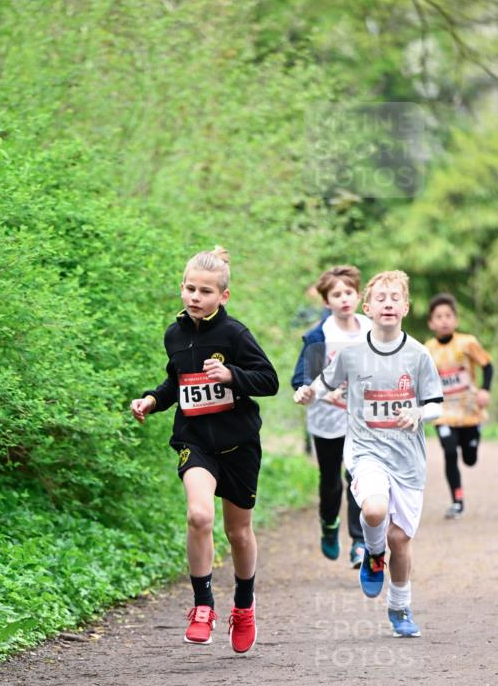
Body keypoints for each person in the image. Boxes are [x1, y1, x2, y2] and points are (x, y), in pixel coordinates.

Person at [130, 247, 278, 653]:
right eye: (190, 288)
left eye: (206, 291)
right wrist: (151, 400)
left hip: (239, 444)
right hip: (195, 440)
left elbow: (269, 380)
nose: (196, 297)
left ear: (223, 296)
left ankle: (244, 607)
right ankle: (202, 606)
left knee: (238, 532)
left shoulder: (235, 335)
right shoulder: (174, 335)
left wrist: (232, 374)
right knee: (198, 515)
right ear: (182, 288)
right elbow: (175, 384)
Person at [294, 270, 443, 638]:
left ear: (406, 307)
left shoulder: (419, 354)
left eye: (396, 298)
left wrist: (418, 412)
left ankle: (400, 606)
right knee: (374, 510)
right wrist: (306, 392)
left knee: (400, 540)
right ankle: (372, 555)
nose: (388, 303)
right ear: (368, 307)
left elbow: (437, 404)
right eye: (381, 298)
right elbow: (323, 381)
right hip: (365, 452)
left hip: (408, 459)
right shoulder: (352, 353)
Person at [291, 265, 370, 567]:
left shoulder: (369, 329)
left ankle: (359, 542)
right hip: (326, 420)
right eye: (337, 294)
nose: (344, 299)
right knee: (331, 480)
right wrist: (304, 390)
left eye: (348, 292)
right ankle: (328, 523)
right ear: (327, 302)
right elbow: (302, 375)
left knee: (357, 477)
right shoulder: (319, 335)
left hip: (362, 420)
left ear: (358, 295)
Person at [425, 292, 493, 518]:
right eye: (439, 316)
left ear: (455, 320)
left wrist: (485, 389)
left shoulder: (467, 342)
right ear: (431, 322)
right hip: (443, 411)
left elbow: (487, 365)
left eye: (448, 315)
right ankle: (457, 500)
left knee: (470, 459)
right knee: (450, 452)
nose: (444, 320)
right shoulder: (427, 349)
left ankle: (475, 436)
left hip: (469, 410)